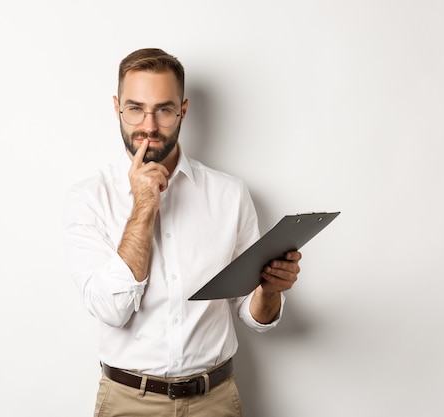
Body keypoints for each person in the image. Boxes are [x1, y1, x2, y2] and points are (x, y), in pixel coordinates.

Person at [62, 48, 302, 417]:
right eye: (135, 108)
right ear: (117, 108)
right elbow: (111, 310)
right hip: (128, 403)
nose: (150, 125)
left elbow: (253, 314)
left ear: (183, 111)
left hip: (215, 401)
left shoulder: (229, 193)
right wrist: (143, 206)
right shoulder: (89, 198)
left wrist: (269, 291)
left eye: (164, 109)